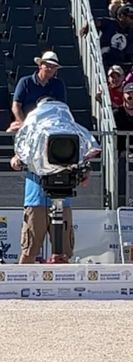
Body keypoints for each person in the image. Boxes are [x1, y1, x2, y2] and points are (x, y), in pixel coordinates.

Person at [8, 99, 89, 264]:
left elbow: (83, 164)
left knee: (64, 253)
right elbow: (17, 159)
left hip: (62, 200)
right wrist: (17, 160)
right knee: (29, 249)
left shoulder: (68, 139)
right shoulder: (31, 139)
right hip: (36, 200)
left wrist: (85, 171)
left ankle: (64, 287)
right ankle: (23, 286)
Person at [12, 51, 66, 122]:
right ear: (40, 66)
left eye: (53, 67)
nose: (50, 69)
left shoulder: (58, 84)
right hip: (26, 121)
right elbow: (16, 106)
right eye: (47, 66)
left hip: (50, 123)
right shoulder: (25, 82)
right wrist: (23, 124)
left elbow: (61, 107)